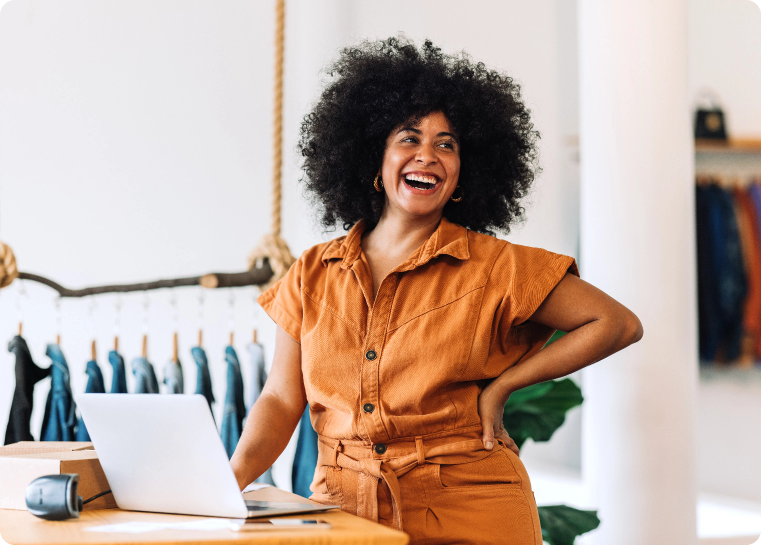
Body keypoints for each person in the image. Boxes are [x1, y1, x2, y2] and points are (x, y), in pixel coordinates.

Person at [230, 37, 643, 544]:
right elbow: (279, 398)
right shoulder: (312, 271)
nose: (428, 156)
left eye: (446, 144)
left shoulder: (496, 267)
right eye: (409, 138)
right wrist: (229, 483)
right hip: (342, 510)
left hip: (470, 510)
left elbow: (616, 323)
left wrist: (505, 385)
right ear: (373, 159)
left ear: (464, 173)